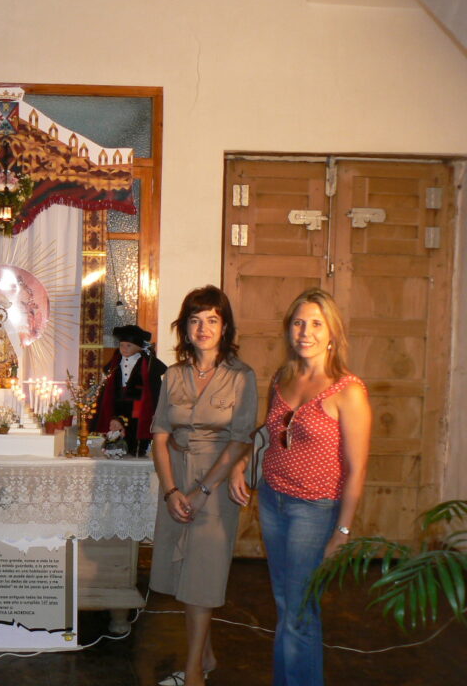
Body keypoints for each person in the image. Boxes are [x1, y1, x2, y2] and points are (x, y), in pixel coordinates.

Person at [231, 288, 370, 686]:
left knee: (299, 612)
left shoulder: (349, 390)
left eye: (315, 324)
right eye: (297, 323)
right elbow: (269, 434)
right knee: (286, 606)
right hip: (273, 500)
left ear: (332, 333)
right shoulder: (282, 378)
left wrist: (342, 531)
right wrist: (242, 462)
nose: (304, 332)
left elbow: (357, 468)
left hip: (315, 509)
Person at [149, 286, 258, 686]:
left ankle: (193, 673)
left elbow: (241, 438)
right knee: (185, 577)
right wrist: (171, 490)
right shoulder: (173, 375)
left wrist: (202, 491)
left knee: (203, 578)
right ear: (186, 328)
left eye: (212, 319)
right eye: (195, 320)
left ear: (225, 326)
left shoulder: (241, 376)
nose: (203, 327)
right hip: (177, 475)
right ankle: (207, 656)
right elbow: (159, 435)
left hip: (216, 480)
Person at [93, 324, 167, 457]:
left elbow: (154, 386)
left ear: (138, 347)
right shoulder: (116, 362)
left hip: (138, 402)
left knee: (136, 426)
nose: (124, 349)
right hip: (119, 399)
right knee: (116, 424)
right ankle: (117, 447)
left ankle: (137, 448)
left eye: (129, 346)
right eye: (122, 345)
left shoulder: (147, 363)